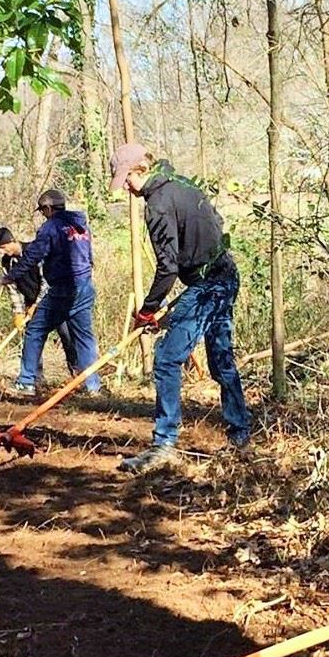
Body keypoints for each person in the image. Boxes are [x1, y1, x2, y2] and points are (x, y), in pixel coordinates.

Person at [109, 142, 250, 474]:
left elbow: (167, 267)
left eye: (126, 179)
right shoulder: (183, 183)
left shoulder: (157, 204)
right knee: (221, 359)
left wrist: (148, 310)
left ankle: (164, 443)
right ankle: (239, 433)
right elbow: (214, 222)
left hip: (206, 286)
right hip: (225, 275)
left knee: (166, 357)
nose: (126, 188)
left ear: (140, 169)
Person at [0, 190, 101, 398]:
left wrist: (8, 277)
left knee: (35, 330)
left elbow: (33, 256)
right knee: (84, 338)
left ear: (48, 208)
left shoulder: (50, 227)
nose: (43, 215)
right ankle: (93, 386)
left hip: (64, 287)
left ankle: (26, 382)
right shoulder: (81, 226)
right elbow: (89, 256)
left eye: (43, 211)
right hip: (86, 285)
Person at [0, 224, 78, 386]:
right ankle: (36, 380)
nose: (3, 252)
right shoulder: (6, 263)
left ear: (13, 241)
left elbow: (46, 281)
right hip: (30, 302)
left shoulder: (34, 252)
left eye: (4, 247)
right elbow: (13, 289)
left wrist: (37, 304)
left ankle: (78, 375)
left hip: (54, 299)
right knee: (32, 339)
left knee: (67, 337)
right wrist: (18, 313)